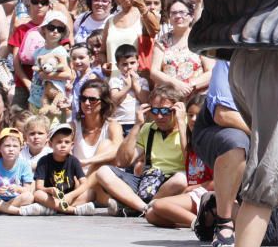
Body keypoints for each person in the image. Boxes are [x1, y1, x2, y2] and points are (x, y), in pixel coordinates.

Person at [94, 85, 187, 217]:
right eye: (154, 111)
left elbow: (191, 164)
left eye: (165, 111)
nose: (159, 116)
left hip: (172, 184)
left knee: (181, 180)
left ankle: (134, 206)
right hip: (148, 182)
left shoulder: (188, 127)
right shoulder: (148, 129)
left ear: (177, 109)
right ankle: (144, 208)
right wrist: (137, 125)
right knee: (103, 172)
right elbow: (122, 162)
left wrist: (182, 124)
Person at [191, 59, 250, 247]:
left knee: (272, 235)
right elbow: (223, 115)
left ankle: (213, 205)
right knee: (236, 143)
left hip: (266, 133)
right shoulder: (227, 60)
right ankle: (224, 223)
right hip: (219, 129)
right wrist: (267, 135)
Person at [145, 94, 215, 229]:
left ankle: (199, 224)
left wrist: (191, 188)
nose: (194, 119)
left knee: (159, 204)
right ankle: (202, 223)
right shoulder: (195, 143)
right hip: (194, 195)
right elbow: (186, 152)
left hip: (207, 194)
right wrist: (181, 121)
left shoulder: (213, 142)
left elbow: (219, 182)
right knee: (151, 215)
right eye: (190, 115)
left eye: (198, 115)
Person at [25, 122, 96, 216]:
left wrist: (71, 195)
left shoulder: (74, 161)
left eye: (67, 142)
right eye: (59, 142)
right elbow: (39, 187)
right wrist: (50, 190)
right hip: (52, 197)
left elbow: (85, 183)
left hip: (69, 197)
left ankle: (53, 208)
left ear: (72, 145)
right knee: (38, 194)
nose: (63, 145)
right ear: (50, 144)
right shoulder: (43, 161)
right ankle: (74, 210)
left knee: (91, 193)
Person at [150, 0, 215, 97]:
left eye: (182, 12)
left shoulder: (200, 40)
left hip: (196, 99)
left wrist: (189, 86)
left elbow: (211, 71)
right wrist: (176, 84)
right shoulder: (161, 41)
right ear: (169, 17)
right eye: (174, 13)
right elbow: (154, 72)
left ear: (191, 16)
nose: (178, 16)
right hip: (168, 98)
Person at [9, 0, 54, 107]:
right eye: (35, 1)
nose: (39, 5)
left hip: (49, 85)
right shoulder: (21, 29)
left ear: (49, 4)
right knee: (16, 117)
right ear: (30, 2)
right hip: (23, 86)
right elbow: (16, 61)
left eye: (44, 2)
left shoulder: (56, 28)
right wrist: (28, 84)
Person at [72, 79, 124, 176]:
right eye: (83, 99)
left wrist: (87, 161)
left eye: (92, 100)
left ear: (104, 102)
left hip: (102, 178)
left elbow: (117, 151)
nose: (87, 103)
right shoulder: (73, 126)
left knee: (106, 144)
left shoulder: (112, 125)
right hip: (79, 179)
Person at [27, 10, 72, 113]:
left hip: (53, 101)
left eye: (60, 29)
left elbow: (68, 74)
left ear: (63, 33)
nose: (55, 31)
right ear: (44, 29)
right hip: (34, 98)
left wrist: (47, 76)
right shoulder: (38, 51)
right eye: (51, 27)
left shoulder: (60, 51)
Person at [0, 127, 34, 214]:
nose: (11, 149)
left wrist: (18, 189)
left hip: (16, 199)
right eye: (7, 145)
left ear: (21, 149)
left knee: (29, 197)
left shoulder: (24, 165)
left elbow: (28, 190)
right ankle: (9, 210)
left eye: (15, 146)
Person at [109, 44, 150, 136]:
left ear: (138, 63)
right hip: (120, 122)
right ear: (118, 66)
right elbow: (114, 100)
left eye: (132, 63)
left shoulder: (143, 81)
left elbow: (145, 100)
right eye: (124, 64)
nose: (129, 67)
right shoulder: (115, 81)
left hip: (138, 121)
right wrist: (127, 87)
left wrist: (135, 84)